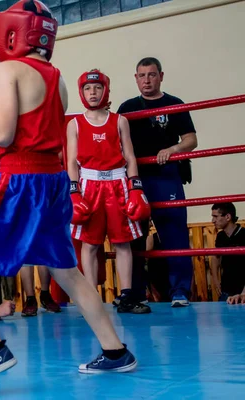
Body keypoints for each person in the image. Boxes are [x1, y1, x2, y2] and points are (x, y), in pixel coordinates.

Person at [0, 0, 137, 387]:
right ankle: (115, 351)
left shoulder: (9, 68)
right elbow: (36, 123)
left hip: (19, 179)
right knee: (69, 272)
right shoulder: (56, 76)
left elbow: (4, 134)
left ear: (10, 33)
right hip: (53, 181)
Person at [66, 70, 151, 314]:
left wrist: (135, 187)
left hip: (118, 183)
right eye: (87, 89)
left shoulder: (119, 121)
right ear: (81, 92)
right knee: (90, 245)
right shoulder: (75, 124)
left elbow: (130, 156)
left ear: (106, 90)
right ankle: (91, 298)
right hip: (89, 184)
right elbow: (72, 161)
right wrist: (74, 192)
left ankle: (126, 296)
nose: (92, 93)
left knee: (123, 242)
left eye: (97, 88)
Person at [117, 57, 197, 307]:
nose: (147, 80)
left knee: (174, 233)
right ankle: (136, 292)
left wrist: (172, 149)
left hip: (166, 176)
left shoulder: (174, 104)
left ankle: (180, 291)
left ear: (161, 76)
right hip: (135, 178)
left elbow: (191, 140)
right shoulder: (127, 107)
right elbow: (114, 140)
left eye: (151, 75)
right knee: (134, 237)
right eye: (142, 75)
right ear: (136, 78)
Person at [210, 203, 245, 301]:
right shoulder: (221, 236)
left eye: (215, 216)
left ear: (228, 217)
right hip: (226, 291)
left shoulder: (243, 234)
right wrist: (216, 281)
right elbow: (215, 258)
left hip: (242, 292)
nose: (212, 220)